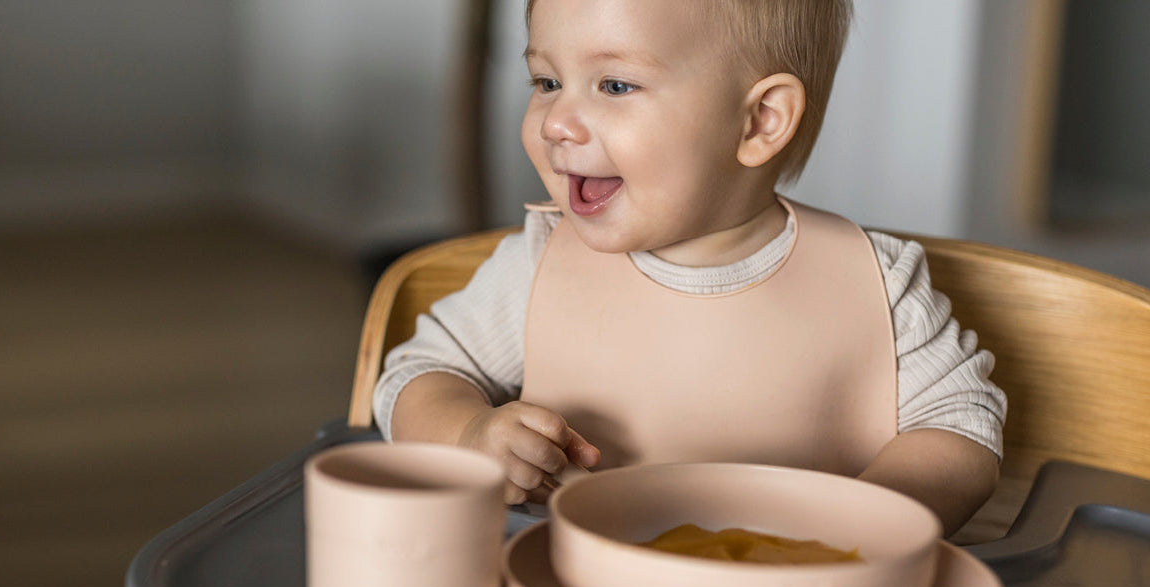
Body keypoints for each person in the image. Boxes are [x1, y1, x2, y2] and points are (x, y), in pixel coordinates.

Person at [373, 0, 1006, 536]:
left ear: (759, 121)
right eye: (546, 82)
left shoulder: (874, 283)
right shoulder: (538, 264)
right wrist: (469, 434)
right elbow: (416, 374)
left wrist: (857, 526)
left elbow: (962, 427)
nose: (556, 123)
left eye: (614, 85)